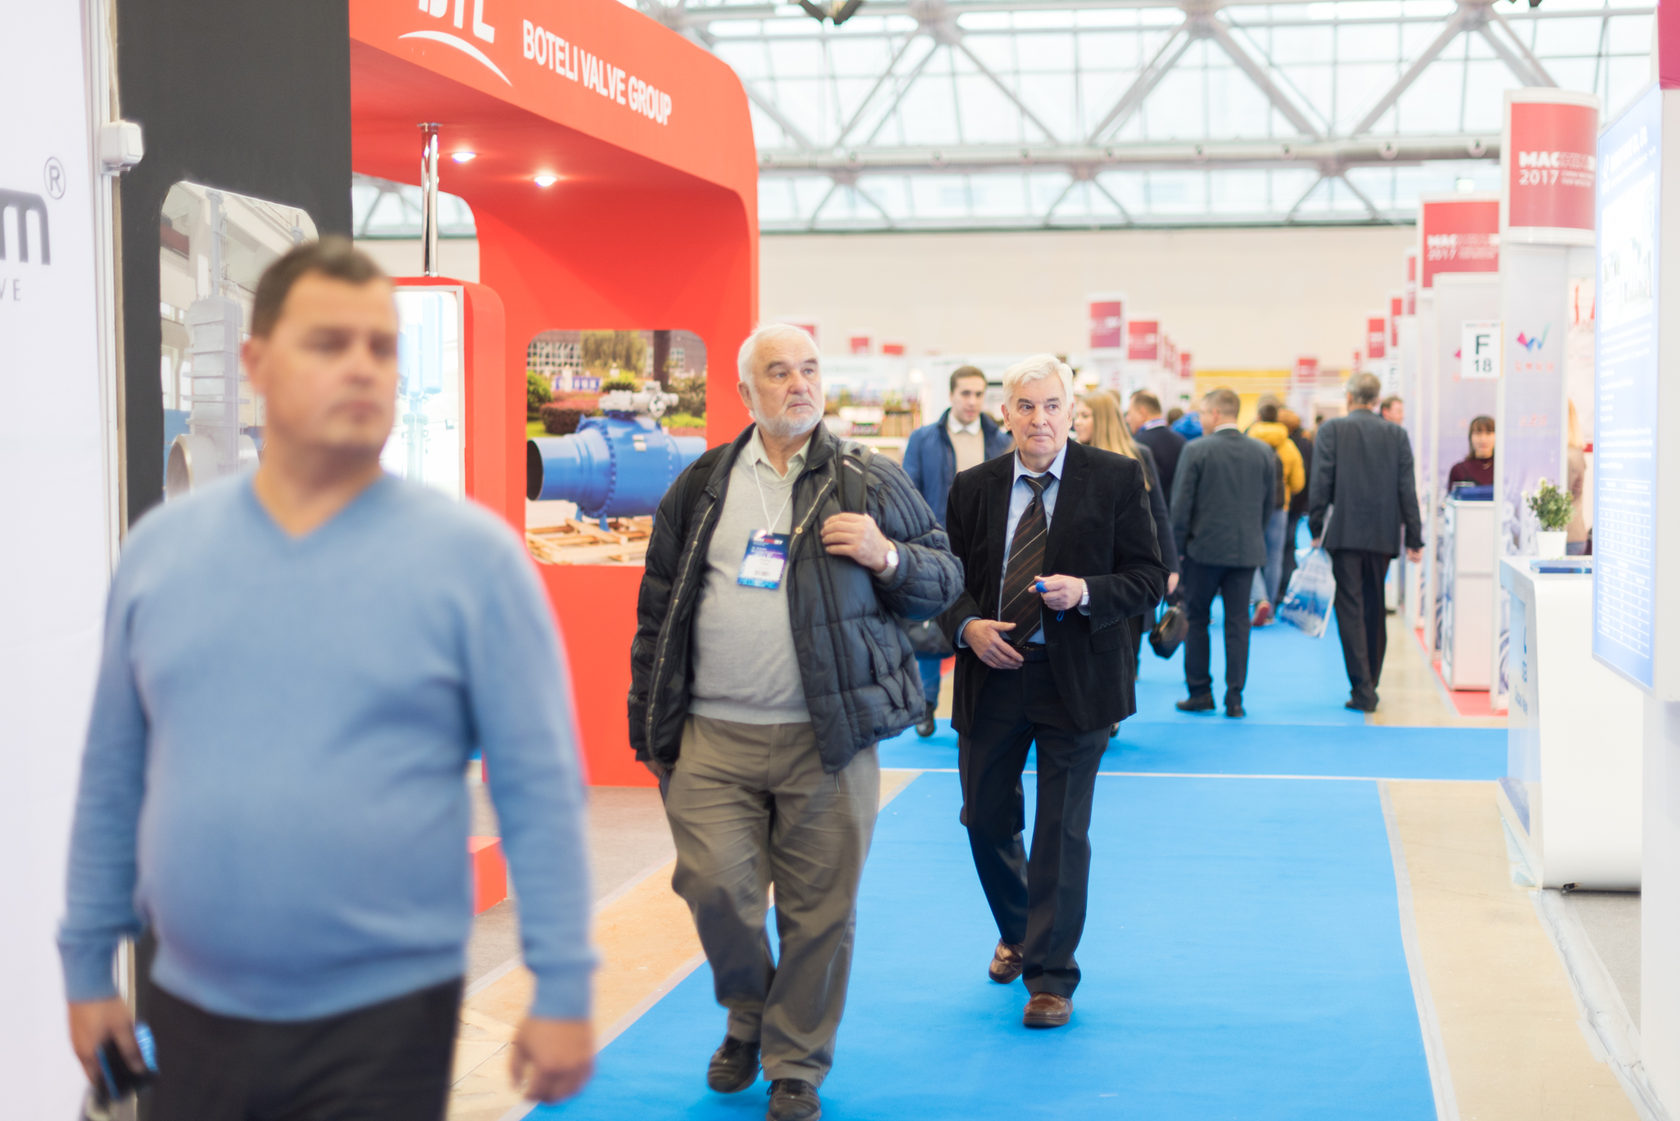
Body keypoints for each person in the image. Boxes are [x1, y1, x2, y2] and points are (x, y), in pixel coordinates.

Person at [58, 238, 596, 1121]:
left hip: (386, 1016)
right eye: (328, 343)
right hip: (193, 1003)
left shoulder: (474, 563)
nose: (361, 367)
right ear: (255, 363)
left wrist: (564, 980)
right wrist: (87, 965)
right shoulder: (162, 555)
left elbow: (539, 786)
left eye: (381, 347)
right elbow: (113, 773)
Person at [629, 324, 962, 1121]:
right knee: (714, 887)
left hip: (828, 737)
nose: (799, 384)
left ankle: (794, 1063)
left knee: (820, 911)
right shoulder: (701, 483)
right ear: (746, 392)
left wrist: (888, 556)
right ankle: (749, 1010)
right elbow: (657, 612)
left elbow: (944, 577)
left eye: (809, 369)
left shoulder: (867, 479)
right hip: (713, 735)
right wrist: (650, 728)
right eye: (778, 372)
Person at [940, 355, 1165, 1030]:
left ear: (1072, 412)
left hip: (1079, 680)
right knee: (985, 817)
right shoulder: (973, 487)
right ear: (1004, 414)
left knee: (1061, 831)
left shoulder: (1117, 478)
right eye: (1026, 405)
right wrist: (967, 626)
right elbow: (947, 580)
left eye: (1052, 405)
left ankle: (1050, 976)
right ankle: (1019, 930)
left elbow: (1148, 577)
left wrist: (1087, 591)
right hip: (993, 672)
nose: (1040, 419)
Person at [901, 365, 1013, 733]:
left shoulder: (999, 439)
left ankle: (981, 708)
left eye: (979, 394)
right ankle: (926, 704)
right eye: (966, 393)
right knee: (931, 625)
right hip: (936, 546)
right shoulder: (924, 439)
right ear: (951, 395)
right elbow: (909, 494)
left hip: (988, 549)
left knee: (980, 623)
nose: (972, 401)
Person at [1308, 372, 1424, 713]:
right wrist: (1414, 536)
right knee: (1375, 607)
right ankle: (1371, 680)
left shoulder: (1331, 430)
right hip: (1383, 533)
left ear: (1349, 397)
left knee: (1350, 609)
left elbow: (1321, 482)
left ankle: (1362, 688)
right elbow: (1407, 488)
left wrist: (1316, 525)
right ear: (1376, 400)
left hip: (1344, 533)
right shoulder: (1396, 434)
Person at [1170, 388, 1275, 718]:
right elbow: (1269, 504)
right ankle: (1235, 698)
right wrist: (1253, 535)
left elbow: (1181, 507)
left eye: (1203, 412)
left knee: (1197, 619)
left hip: (1203, 551)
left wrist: (1177, 551)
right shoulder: (1263, 452)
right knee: (1238, 623)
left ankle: (1200, 692)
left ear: (1215, 414)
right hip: (1246, 552)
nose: (1200, 418)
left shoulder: (1196, 450)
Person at [1076, 392, 1180, 667]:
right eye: (1077, 415)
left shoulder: (1138, 455)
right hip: (1086, 571)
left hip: (1128, 571)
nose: (1077, 422)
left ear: (1103, 420)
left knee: (1126, 653)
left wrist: (1170, 566)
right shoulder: (1070, 458)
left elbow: (1158, 513)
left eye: (1085, 416)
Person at [1246, 402, 1305, 627]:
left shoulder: (1249, 441)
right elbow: (1298, 482)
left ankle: (1257, 597)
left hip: (1251, 506)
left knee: (1250, 553)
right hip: (1279, 507)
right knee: (1274, 558)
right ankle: (1269, 608)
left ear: (1258, 416)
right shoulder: (1288, 446)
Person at [1275, 407, 1314, 599]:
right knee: (1290, 544)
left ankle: (1275, 590)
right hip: (1297, 503)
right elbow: (1305, 477)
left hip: (1280, 503)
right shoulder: (1305, 443)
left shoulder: (1283, 445)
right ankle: (1286, 585)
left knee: (1276, 548)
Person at [1126, 390, 1188, 507]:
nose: (1127, 419)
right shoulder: (1181, 440)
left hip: (1151, 510)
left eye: (1129, 413)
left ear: (1142, 412)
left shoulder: (1138, 444)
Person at [1566, 400, 1589, 555]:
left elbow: (1566, 495)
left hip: (1569, 536)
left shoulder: (1570, 455)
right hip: (1572, 535)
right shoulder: (1574, 453)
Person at [1447, 415, 1496, 489]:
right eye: (1478, 433)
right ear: (1470, 437)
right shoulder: (1458, 470)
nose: (1483, 439)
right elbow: (1451, 495)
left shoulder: (1503, 470)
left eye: (1488, 433)